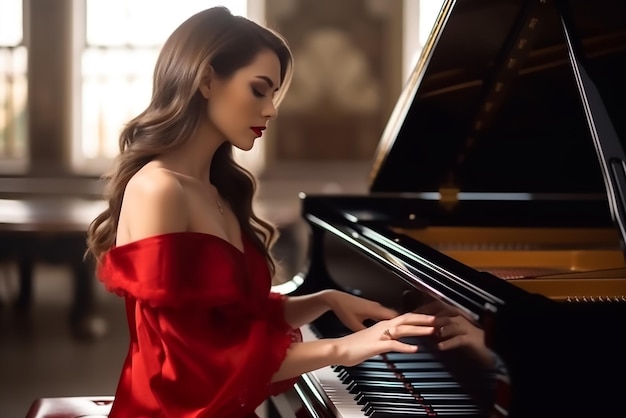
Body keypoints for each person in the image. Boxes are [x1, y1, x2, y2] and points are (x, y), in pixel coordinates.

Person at [86, 6, 436, 418]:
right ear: (206, 80)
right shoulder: (159, 189)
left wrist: (325, 299)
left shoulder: (218, 191)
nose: (271, 109)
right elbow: (191, 364)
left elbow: (233, 318)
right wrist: (342, 348)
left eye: (273, 94)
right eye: (259, 90)